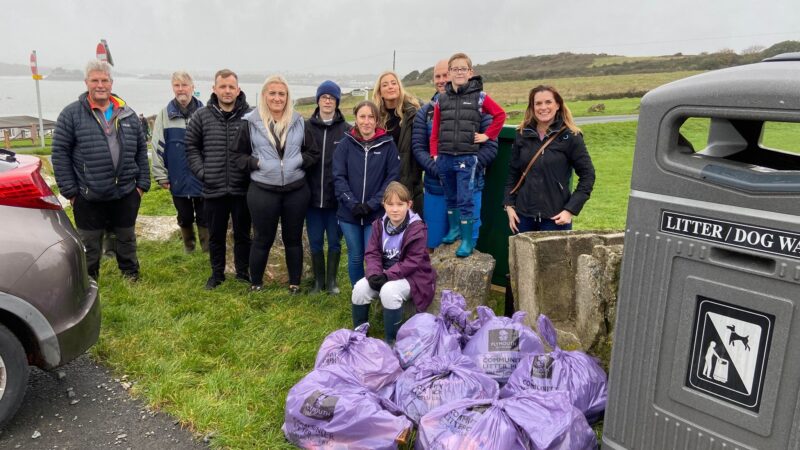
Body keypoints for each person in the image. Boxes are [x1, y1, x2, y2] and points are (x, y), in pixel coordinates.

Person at [52, 60, 150, 281]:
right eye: (95, 80)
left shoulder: (127, 113)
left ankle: (130, 274)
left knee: (126, 236)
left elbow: (141, 150)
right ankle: (88, 280)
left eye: (104, 80)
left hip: (125, 191)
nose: (100, 85)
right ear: (86, 82)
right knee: (90, 241)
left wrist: (141, 185)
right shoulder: (71, 114)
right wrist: (71, 191)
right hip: (88, 193)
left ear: (111, 83)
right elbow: (59, 153)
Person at [232, 75, 320, 294]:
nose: (277, 98)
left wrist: (298, 161)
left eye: (282, 93)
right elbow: (237, 155)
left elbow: (313, 152)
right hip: (263, 190)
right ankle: (256, 283)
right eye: (272, 93)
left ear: (287, 97)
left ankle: (295, 284)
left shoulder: (299, 121)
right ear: (264, 96)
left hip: (296, 190)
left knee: (293, 238)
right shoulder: (250, 123)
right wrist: (257, 163)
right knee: (262, 238)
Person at [412, 59, 499, 250]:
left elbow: (490, 147)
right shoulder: (425, 113)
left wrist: (465, 168)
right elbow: (419, 148)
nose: (442, 80)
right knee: (434, 243)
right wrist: (443, 170)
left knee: (469, 244)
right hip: (436, 188)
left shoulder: (479, 105)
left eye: (445, 74)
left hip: (471, 185)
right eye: (438, 76)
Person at [185, 69, 252, 290]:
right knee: (216, 235)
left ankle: (243, 273)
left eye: (231, 87)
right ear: (214, 89)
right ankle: (217, 274)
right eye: (222, 86)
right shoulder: (201, 116)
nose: (227, 91)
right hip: (213, 188)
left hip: (242, 188)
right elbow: (191, 147)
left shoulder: (249, 116)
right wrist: (204, 172)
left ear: (238, 89)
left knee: (243, 234)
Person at [503, 85, 595, 233]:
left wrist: (570, 210)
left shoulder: (571, 136)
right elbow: (513, 173)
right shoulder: (522, 134)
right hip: (523, 218)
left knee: (555, 257)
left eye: (548, 102)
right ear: (532, 107)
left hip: (556, 218)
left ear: (557, 105)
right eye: (538, 103)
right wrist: (509, 205)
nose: (543, 107)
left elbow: (588, 176)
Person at [351, 182, 435, 344]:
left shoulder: (417, 228)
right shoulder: (379, 225)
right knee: (360, 289)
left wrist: (386, 276)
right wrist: (374, 273)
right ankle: (359, 336)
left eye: (400, 204)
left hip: (413, 277)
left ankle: (392, 341)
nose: (395, 209)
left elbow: (412, 262)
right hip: (384, 273)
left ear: (409, 205)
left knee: (389, 291)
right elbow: (372, 253)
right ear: (384, 205)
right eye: (390, 204)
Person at [333, 101, 400, 287]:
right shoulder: (345, 144)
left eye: (371, 117)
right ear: (356, 119)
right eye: (362, 116)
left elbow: (392, 178)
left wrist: (373, 204)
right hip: (349, 213)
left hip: (375, 214)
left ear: (377, 120)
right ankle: (358, 293)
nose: (366, 121)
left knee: (373, 256)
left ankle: (374, 290)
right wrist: (352, 203)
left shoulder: (388, 145)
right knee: (355, 256)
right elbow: (338, 176)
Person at [151, 71, 208, 253]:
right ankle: (189, 247)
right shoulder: (164, 115)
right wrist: (161, 175)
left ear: (193, 87)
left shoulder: (205, 113)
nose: (181, 89)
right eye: (177, 85)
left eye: (185, 85)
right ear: (173, 88)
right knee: (184, 216)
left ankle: (207, 249)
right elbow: (157, 146)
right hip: (177, 178)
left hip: (202, 177)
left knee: (205, 216)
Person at [305, 80, 351, 294]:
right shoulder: (306, 127)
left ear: (337, 102)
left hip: (335, 201)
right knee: (315, 242)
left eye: (331, 98)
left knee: (334, 242)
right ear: (318, 100)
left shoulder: (347, 130)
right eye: (324, 97)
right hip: (312, 199)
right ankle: (318, 281)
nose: (327, 101)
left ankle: (332, 282)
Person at [372, 71, 423, 215]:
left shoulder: (413, 113)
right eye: (385, 85)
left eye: (394, 83)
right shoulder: (376, 117)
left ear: (399, 87)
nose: (390, 87)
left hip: (409, 179)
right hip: (383, 179)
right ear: (380, 92)